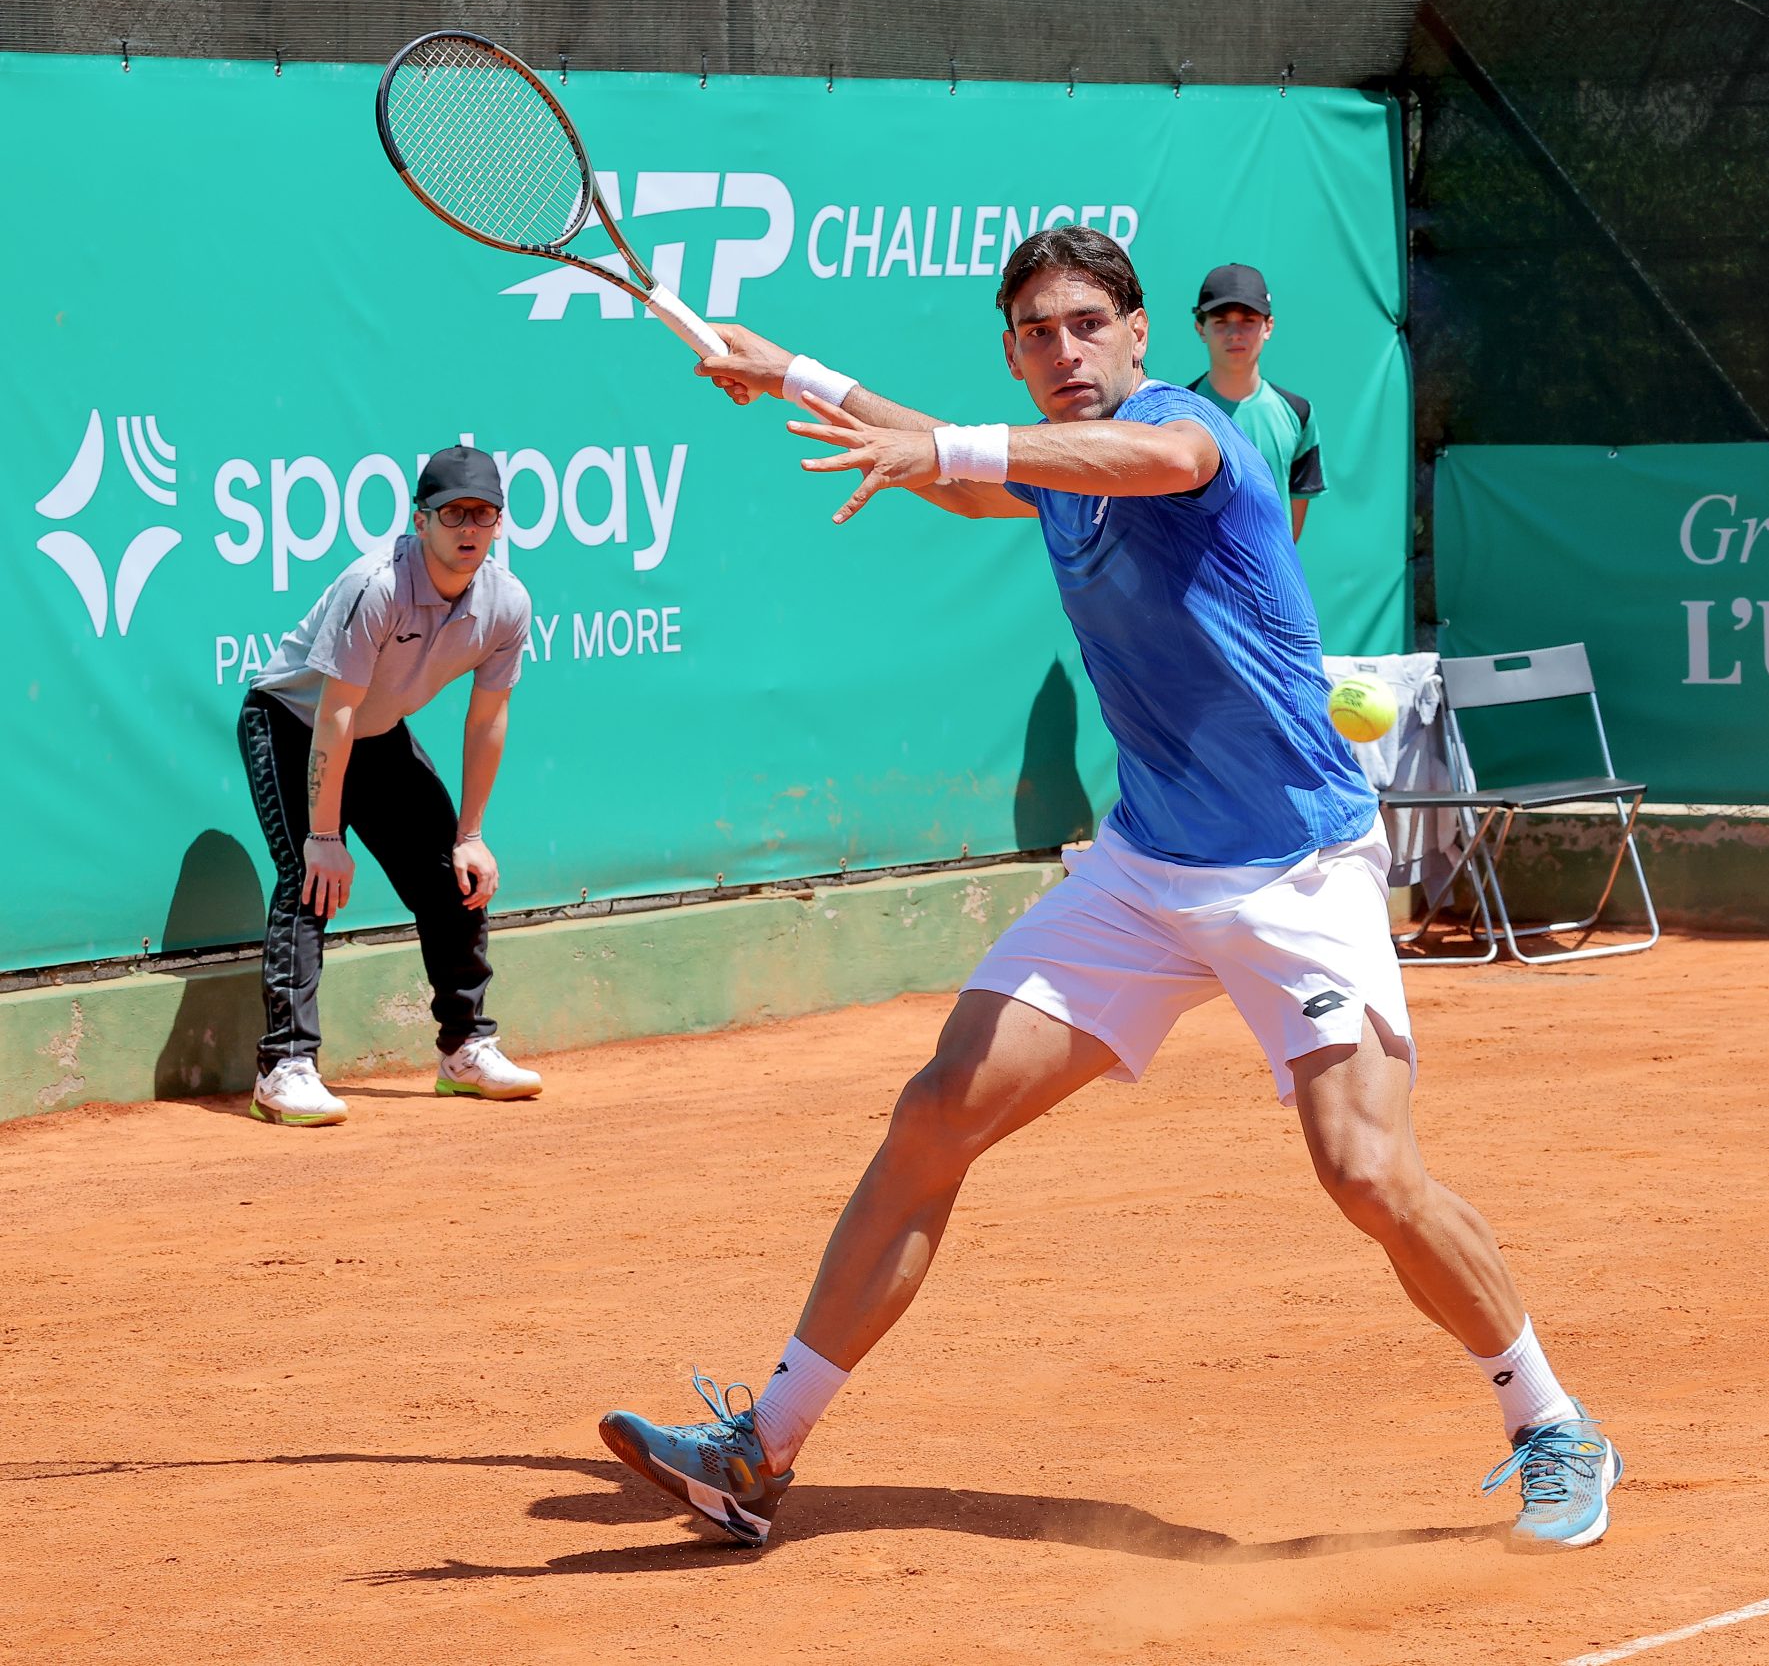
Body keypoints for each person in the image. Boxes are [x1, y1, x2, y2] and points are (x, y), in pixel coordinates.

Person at [598, 226, 1620, 1554]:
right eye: (1036, 332)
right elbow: (969, 480)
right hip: (1146, 871)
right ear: (1014, 351)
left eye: (1089, 324)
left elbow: (1125, 462)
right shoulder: (1051, 465)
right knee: (935, 1114)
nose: (1065, 350)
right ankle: (760, 1449)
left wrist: (953, 444)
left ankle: (1552, 1421)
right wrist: (788, 368)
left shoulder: (1183, 429)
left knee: (1366, 1168)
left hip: (1296, 868)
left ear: (1142, 337)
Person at [235, 445, 542, 1126]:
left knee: (450, 871)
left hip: (377, 733)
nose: (469, 527)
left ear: (499, 524)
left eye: (484, 514)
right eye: (453, 512)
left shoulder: (507, 602)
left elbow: (488, 716)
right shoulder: (375, 585)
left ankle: (465, 1048)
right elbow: (335, 712)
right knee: (309, 877)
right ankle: (283, 1066)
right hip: (295, 724)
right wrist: (323, 834)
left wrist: (472, 834)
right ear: (419, 519)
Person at [1187, 263, 1325, 542]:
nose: (1234, 333)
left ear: (1268, 326)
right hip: (1195, 583)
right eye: (1220, 320)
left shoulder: (1298, 414)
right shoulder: (1175, 413)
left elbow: (1291, 530)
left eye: (1248, 319)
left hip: (1271, 584)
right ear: (1201, 328)